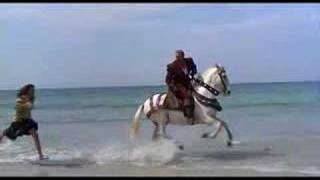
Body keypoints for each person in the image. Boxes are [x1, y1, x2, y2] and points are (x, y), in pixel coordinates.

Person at [0, 84, 46, 160]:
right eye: (31, 90)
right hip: (18, 121)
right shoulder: (21, 98)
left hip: (27, 121)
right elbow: (24, 105)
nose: (33, 91)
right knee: (8, 134)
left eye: (33, 90)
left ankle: (41, 156)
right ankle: (4, 133)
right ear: (27, 90)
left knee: (35, 135)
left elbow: (29, 109)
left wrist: (30, 117)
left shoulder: (30, 98)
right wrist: (28, 102)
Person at [165, 50, 198, 123]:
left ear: (183, 56)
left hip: (188, 83)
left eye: (178, 57)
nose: (176, 58)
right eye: (176, 57)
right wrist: (173, 87)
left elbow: (194, 68)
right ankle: (188, 116)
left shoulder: (189, 61)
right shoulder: (172, 66)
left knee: (198, 93)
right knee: (187, 96)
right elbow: (167, 80)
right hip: (178, 85)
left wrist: (193, 73)